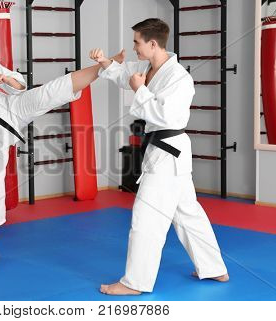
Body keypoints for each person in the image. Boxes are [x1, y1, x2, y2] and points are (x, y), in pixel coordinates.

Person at [0, 34, 108, 269]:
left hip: (8, 108)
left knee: (48, 93)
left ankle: (105, 66)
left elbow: (21, 85)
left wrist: (6, 79)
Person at [90, 18, 229, 295]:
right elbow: (123, 74)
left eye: (137, 43)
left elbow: (166, 116)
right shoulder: (147, 67)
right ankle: (215, 268)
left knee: (146, 218)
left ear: (152, 44)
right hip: (163, 152)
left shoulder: (179, 78)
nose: (134, 48)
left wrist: (139, 89)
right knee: (188, 214)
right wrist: (106, 61)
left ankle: (134, 283)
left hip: (168, 152)